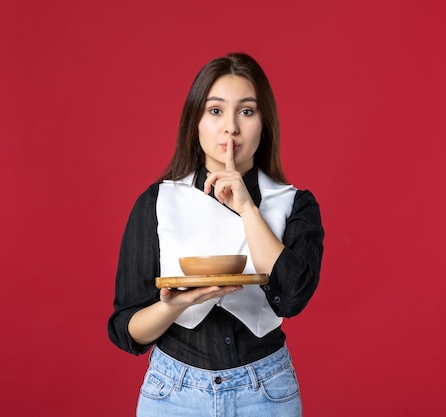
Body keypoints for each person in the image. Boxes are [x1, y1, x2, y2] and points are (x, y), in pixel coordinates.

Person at [108, 52, 324, 417]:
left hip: (267, 392)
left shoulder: (293, 204)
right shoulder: (157, 202)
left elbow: (293, 297)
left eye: (247, 111)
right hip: (172, 393)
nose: (230, 128)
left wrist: (247, 209)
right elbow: (126, 329)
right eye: (215, 111)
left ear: (264, 123)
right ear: (195, 121)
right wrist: (171, 306)